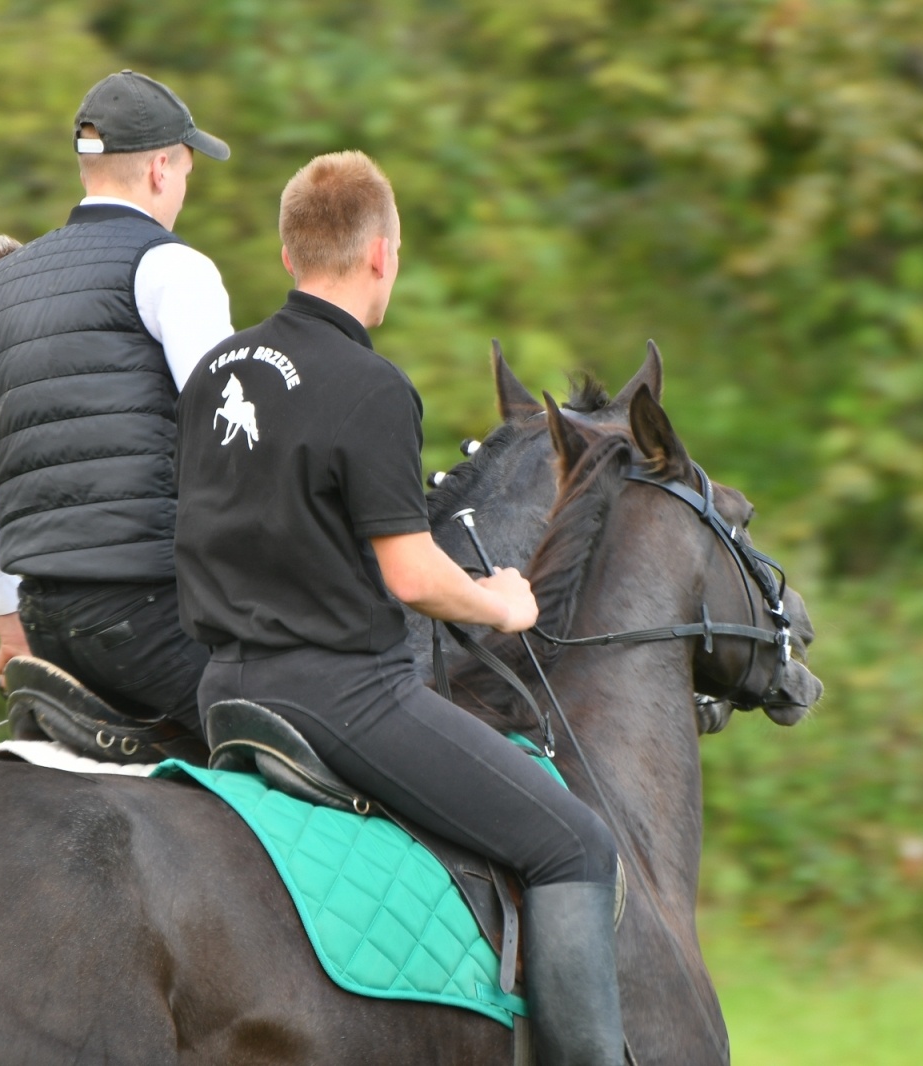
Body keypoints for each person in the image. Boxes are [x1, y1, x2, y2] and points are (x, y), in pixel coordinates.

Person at [173, 151, 627, 1064]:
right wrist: (499, 603)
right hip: (344, 699)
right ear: (381, 255)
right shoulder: (370, 385)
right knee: (574, 842)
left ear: (291, 250)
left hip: (223, 687)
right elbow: (413, 576)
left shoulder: (217, 370)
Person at [0, 69, 233, 740]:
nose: (183, 188)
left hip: (49, 625)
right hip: (157, 616)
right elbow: (236, 440)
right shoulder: (175, 269)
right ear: (160, 169)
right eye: (186, 170)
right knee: (338, 734)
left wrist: (6, 620)